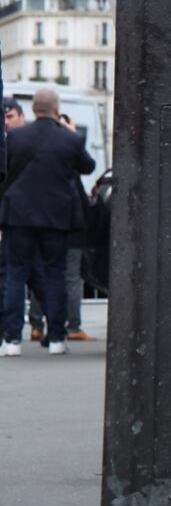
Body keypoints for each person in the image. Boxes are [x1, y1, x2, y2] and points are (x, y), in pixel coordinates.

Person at [1, 90, 96, 357]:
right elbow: (88, 167)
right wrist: (71, 132)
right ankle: (56, 338)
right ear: (57, 109)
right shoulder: (69, 139)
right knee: (55, 275)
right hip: (56, 217)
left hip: (19, 216)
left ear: (33, 109)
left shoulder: (15, 138)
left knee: (15, 275)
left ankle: (11, 340)